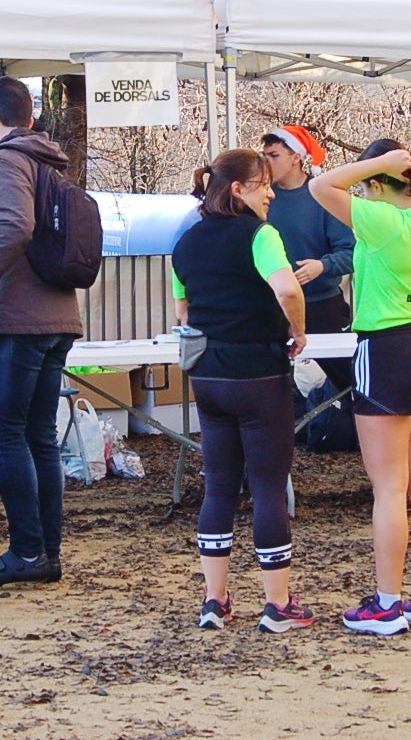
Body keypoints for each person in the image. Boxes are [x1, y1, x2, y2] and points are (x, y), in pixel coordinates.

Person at [311, 138, 411, 635]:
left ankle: (387, 604)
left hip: (388, 346)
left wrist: (377, 164)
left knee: (390, 486)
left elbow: (321, 185)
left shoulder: (383, 221)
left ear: (376, 184)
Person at [171, 148, 314, 633]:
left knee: (219, 486)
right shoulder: (261, 235)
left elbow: (184, 312)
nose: (271, 194)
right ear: (238, 189)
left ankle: (215, 600)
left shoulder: (186, 242)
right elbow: (288, 288)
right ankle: (278, 603)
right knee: (269, 487)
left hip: (208, 377)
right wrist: (298, 330)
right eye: (263, 184)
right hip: (258, 374)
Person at [0, 76, 83, 588]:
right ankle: (46, 552)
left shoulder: (6, 159)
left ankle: (27, 551)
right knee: (40, 437)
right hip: (59, 315)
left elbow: (13, 228)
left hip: (18, 318)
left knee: (6, 434)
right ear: (31, 117)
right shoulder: (51, 161)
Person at [260, 126, 356, 406]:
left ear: (296, 158)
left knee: (349, 379)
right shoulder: (261, 197)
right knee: (269, 381)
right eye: (264, 155)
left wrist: (322, 266)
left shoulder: (322, 197)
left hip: (322, 305)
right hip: (272, 306)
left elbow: (352, 252)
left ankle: (359, 424)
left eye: (274, 155)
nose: (266, 162)